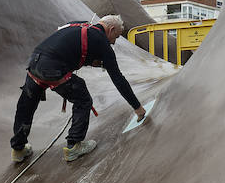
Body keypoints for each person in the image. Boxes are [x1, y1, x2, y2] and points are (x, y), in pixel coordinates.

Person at [10, 14, 147, 164]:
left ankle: (18, 148)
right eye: (117, 36)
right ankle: (74, 146)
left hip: (35, 62)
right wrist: (137, 107)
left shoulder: (76, 25)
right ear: (111, 29)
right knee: (83, 99)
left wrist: (87, 60)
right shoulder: (103, 43)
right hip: (53, 69)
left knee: (26, 106)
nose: (114, 42)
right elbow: (118, 79)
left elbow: (66, 43)